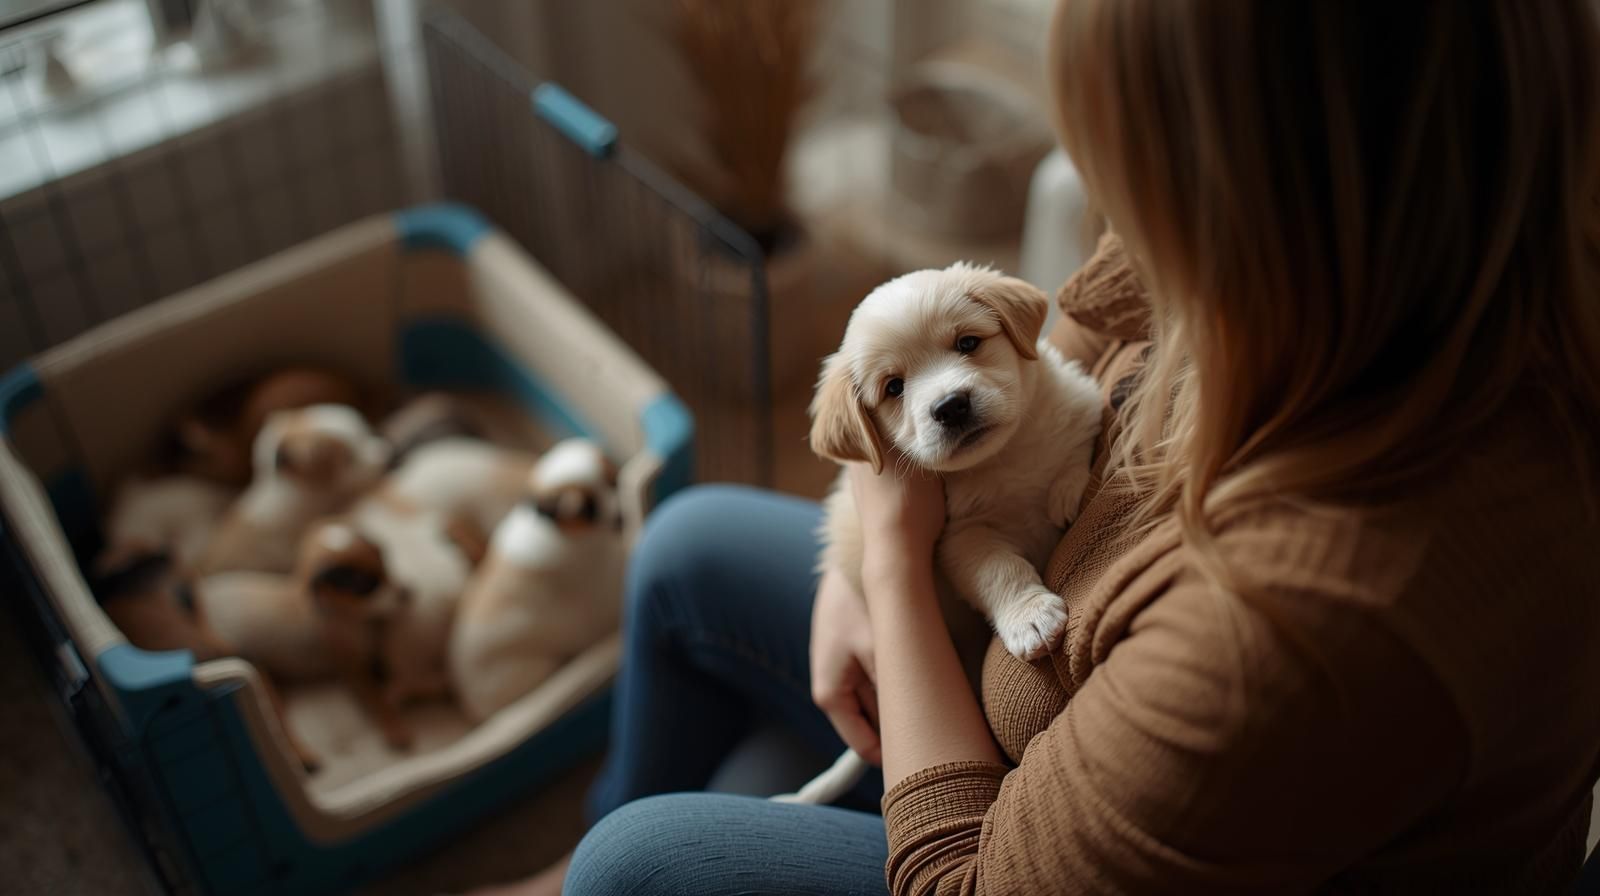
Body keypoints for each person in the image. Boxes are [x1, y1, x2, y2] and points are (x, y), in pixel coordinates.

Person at [473, 2, 1600, 893]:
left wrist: (894, 570)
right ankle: (560, 862)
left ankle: (592, 861)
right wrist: (885, 534)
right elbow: (1078, 314)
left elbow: (964, 881)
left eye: (1125, 161)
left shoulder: (1304, 627)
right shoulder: (1369, 271)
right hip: (1019, 656)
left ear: (1244, 201)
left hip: (1016, 806)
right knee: (686, 541)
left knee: (644, 864)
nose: (1103, 197)